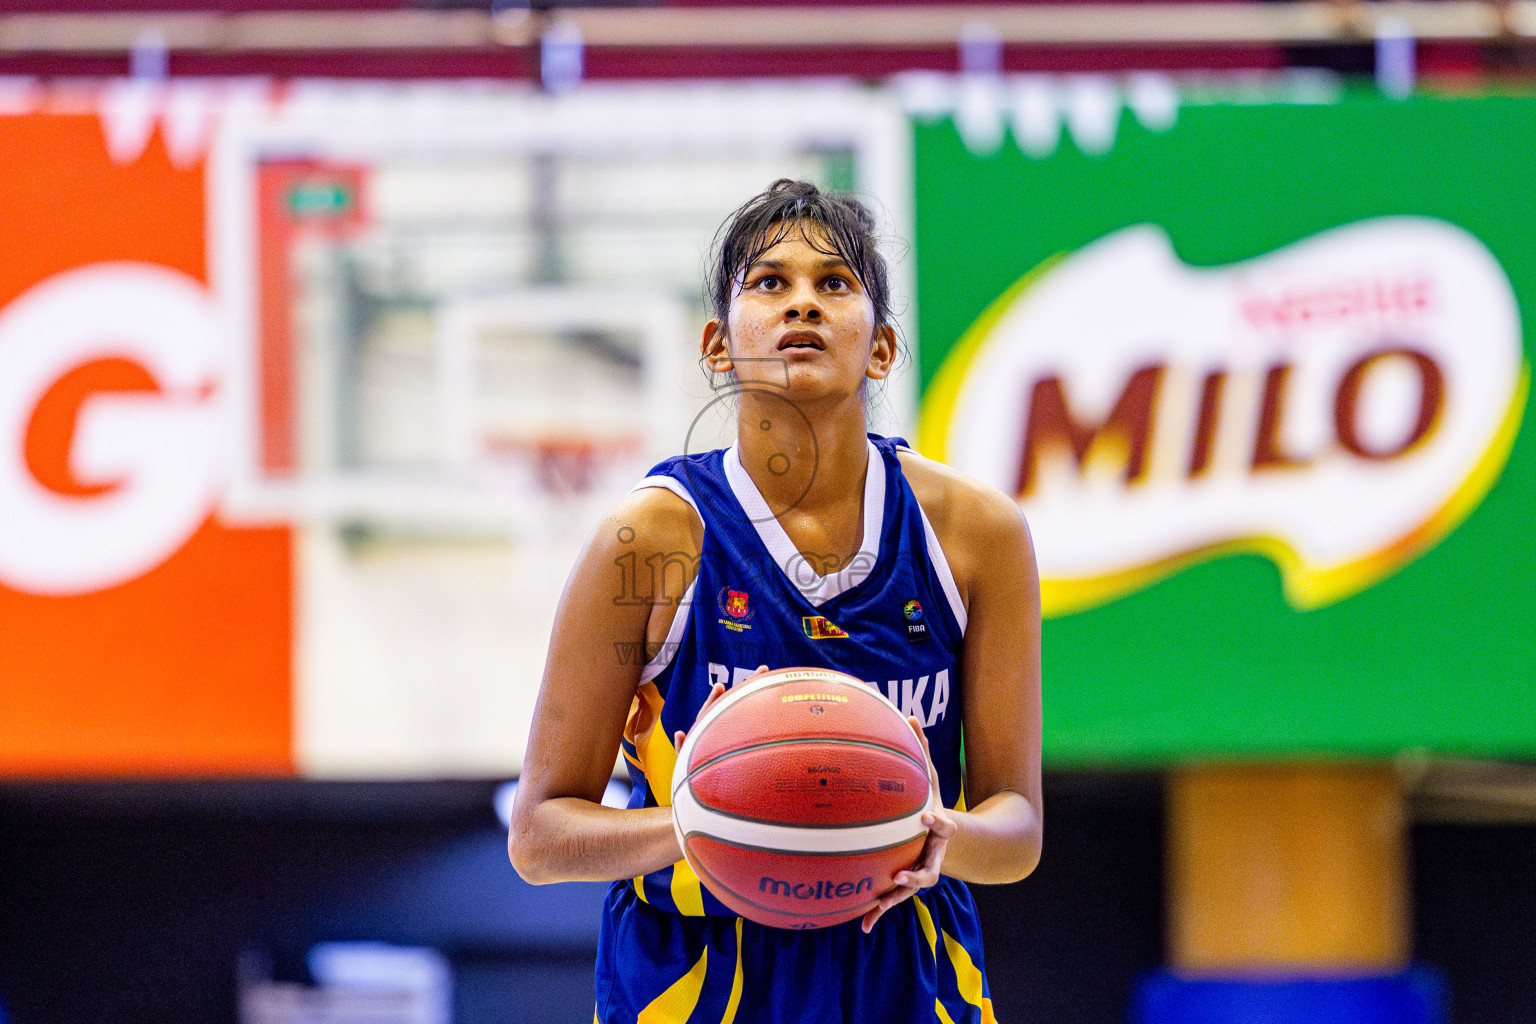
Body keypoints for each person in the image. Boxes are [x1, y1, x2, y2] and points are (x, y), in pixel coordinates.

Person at [508, 179, 1042, 1023]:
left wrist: (942, 832)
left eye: (835, 284)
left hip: (902, 959)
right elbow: (539, 836)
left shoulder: (979, 535)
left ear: (882, 350)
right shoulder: (648, 539)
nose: (803, 303)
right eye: (770, 283)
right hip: (695, 969)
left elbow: (1016, 830)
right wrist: (709, 825)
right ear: (719, 346)